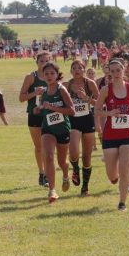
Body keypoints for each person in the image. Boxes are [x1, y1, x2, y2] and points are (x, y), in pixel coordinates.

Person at [95, 58, 129, 210]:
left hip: (128, 134)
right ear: (109, 73)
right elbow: (97, 111)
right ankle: (116, 177)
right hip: (110, 136)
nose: (116, 73)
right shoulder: (106, 90)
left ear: (123, 70)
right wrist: (109, 112)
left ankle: (122, 203)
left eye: (118, 70)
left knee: (125, 169)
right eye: (112, 71)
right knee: (112, 175)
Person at [34, 62, 74, 203]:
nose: (49, 76)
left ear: (57, 75)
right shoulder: (43, 92)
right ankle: (52, 190)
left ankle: (65, 174)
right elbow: (40, 107)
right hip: (48, 129)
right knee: (49, 156)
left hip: (63, 129)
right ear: (43, 76)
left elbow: (72, 111)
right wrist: (38, 110)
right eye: (46, 74)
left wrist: (52, 107)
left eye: (52, 73)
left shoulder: (61, 90)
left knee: (62, 161)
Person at [66, 60, 99, 195]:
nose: (77, 70)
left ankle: (85, 187)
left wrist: (86, 98)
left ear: (84, 69)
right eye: (74, 68)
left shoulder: (89, 84)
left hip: (87, 120)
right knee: (73, 151)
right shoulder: (67, 85)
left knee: (87, 156)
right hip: (73, 120)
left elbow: (99, 103)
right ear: (71, 71)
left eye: (80, 67)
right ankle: (75, 169)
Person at [19, 51, 51, 187]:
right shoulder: (31, 77)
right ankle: (42, 173)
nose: (44, 64)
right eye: (41, 61)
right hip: (34, 115)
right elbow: (21, 98)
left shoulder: (52, 77)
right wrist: (35, 93)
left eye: (46, 61)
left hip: (49, 115)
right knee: (39, 147)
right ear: (37, 62)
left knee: (49, 147)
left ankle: (49, 174)